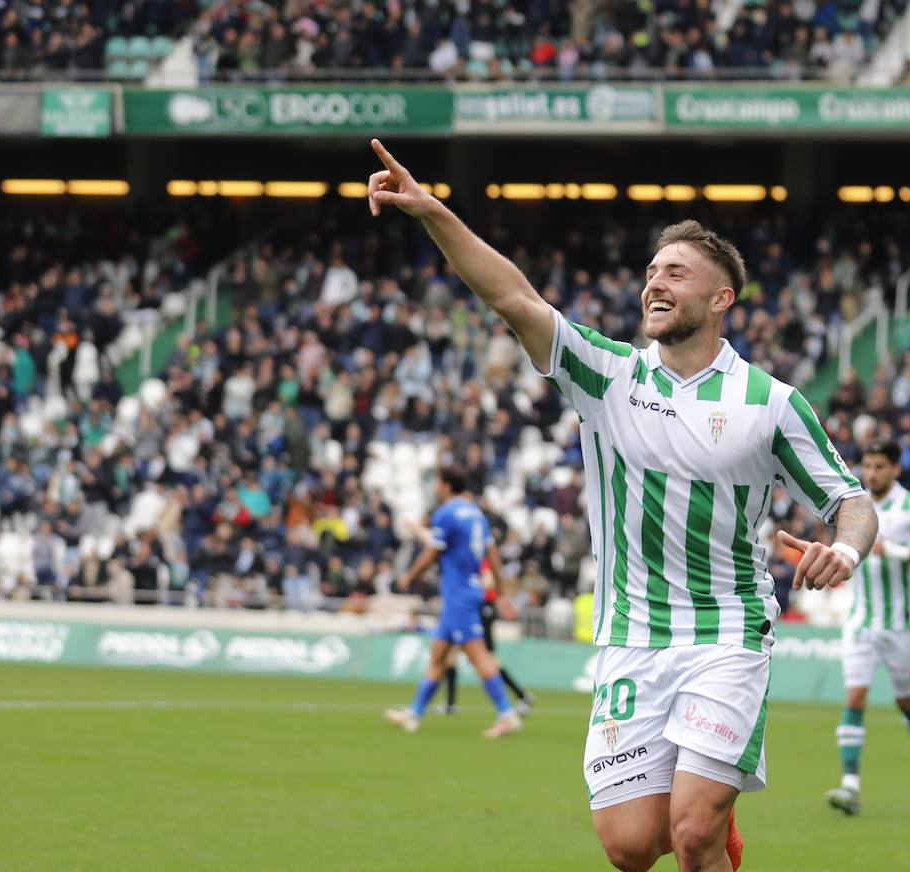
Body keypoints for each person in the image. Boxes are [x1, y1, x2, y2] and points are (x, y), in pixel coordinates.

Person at [367, 139, 877, 872]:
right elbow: (513, 298)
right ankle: (716, 824)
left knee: (693, 835)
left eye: (676, 272)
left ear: (719, 299)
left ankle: (713, 824)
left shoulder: (770, 404)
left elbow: (851, 501)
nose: (655, 284)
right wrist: (431, 213)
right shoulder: (606, 376)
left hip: (725, 633)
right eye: (651, 272)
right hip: (631, 637)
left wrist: (847, 548)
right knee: (630, 847)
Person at [825, 441, 910, 816]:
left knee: (904, 699)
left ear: (895, 468)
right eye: (868, 465)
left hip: (902, 626)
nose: (872, 473)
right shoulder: (854, 505)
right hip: (862, 621)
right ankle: (850, 786)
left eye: (880, 466)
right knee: (855, 698)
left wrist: (901, 552)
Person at [383, 465, 524, 738]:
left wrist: (409, 577)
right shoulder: (476, 514)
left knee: (478, 656)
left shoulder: (446, 513)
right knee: (438, 656)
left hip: (459, 596)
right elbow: (492, 554)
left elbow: (432, 553)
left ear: (446, 486)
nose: (435, 488)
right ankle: (413, 714)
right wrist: (502, 592)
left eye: (437, 482)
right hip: (462, 594)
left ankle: (507, 714)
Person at [437, 553, 534, 717]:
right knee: (451, 655)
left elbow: (489, 582)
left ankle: (520, 696)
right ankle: (450, 703)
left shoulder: (483, 559)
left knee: (486, 658)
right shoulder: (472, 558)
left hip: (482, 611)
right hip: (468, 610)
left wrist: (468, 587)